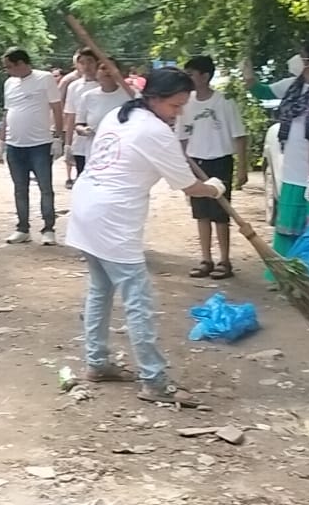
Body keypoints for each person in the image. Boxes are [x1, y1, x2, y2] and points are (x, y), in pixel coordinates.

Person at [66, 68, 226, 406]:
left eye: (182, 106)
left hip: (87, 206)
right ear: (153, 98)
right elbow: (187, 186)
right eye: (175, 105)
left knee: (100, 289)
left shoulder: (119, 115)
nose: (178, 113)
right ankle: (154, 381)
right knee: (138, 300)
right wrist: (212, 188)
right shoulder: (154, 130)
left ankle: (97, 363)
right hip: (111, 217)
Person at [244, 42, 309, 254]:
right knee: (288, 227)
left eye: (302, 56)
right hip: (292, 167)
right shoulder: (293, 85)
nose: (297, 59)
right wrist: (248, 76)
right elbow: (262, 92)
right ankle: (287, 275)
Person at [178, 56, 248, 280]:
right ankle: (206, 258)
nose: (188, 79)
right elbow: (181, 137)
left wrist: (242, 168)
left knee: (221, 213)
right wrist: (183, 164)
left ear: (205, 76)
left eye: (191, 74)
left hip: (220, 160)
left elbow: (239, 135)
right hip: (195, 161)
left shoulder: (224, 102)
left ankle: (224, 260)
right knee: (201, 213)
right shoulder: (185, 103)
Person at [1, 48, 63, 245]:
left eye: (10, 66)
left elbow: (56, 107)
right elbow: (7, 111)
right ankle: (22, 227)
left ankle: (48, 228)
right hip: (14, 143)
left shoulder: (44, 79)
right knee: (20, 188)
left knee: (45, 187)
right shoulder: (9, 83)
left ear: (21, 63)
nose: (8, 71)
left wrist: (57, 137)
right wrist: (2, 140)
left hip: (39, 143)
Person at [75, 58, 132, 167]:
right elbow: (79, 125)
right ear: (96, 73)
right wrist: (84, 130)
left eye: (111, 68)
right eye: (103, 68)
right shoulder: (88, 97)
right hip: (95, 151)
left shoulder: (130, 95)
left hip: (122, 151)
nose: (108, 72)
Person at [63, 49, 100, 187]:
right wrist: (67, 144)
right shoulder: (74, 87)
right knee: (82, 179)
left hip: (102, 140)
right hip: (80, 141)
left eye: (90, 62)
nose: (86, 66)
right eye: (82, 63)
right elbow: (70, 115)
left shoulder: (104, 84)